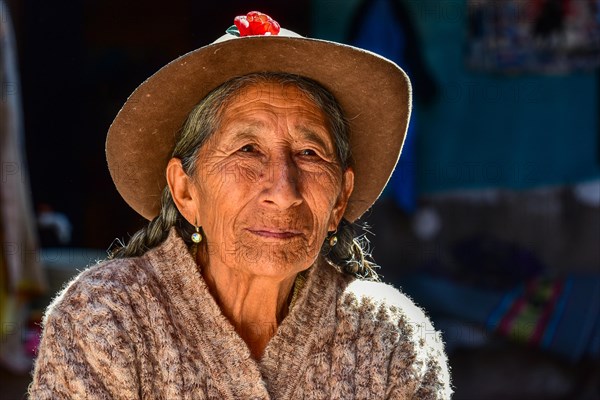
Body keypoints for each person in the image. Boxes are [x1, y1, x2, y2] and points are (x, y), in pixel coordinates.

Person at [29, 11, 451, 399]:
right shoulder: (106, 318)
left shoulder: (392, 339)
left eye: (309, 153)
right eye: (248, 149)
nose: (283, 191)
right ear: (186, 191)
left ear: (339, 198)